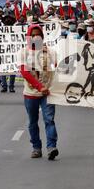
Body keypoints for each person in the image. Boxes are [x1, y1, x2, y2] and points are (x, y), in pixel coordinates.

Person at [19, 24, 59, 161]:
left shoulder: (50, 52)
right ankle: (36, 147)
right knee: (33, 122)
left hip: (48, 93)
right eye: (33, 34)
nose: (36, 37)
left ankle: (51, 147)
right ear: (29, 37)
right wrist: (38, 86)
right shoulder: (24, 52)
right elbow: (24, 72)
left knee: (49, 120)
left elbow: (60, 67)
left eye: (39, 35)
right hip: (31, 94)